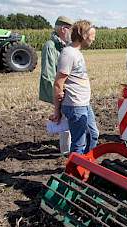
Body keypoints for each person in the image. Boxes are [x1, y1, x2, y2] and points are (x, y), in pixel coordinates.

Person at [50, 20, 99, 154]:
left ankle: (87, 164)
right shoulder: (69, 53)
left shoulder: (76, 53)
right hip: (75, 105)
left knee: (93, 135)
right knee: (79, 143)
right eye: (92, 35)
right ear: (84, 35)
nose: (93, 39)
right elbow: (58, 83)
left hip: (83, 104)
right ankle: (75, 170)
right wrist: (57, 111)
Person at [39, 16, 74, 154]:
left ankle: (69, 150)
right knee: (65, 122)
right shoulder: (50, 46)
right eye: (72, 30)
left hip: (69, 90)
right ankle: (66, 152)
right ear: (64, 29)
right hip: (60, 90)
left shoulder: (67, 46)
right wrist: (57, 95)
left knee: (69, 120)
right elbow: (48, 74)